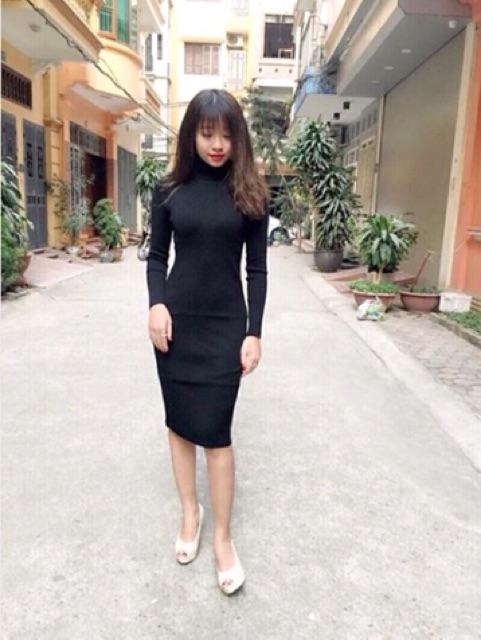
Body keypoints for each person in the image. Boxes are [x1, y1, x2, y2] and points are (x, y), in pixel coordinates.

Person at [146, 89, 268, 595]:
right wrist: (156, 304)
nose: (217, 144)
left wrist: (254, 332)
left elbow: (256, 270)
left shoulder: (250, 194)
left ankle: (222, 537)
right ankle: (189, 513)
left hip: (225, 327)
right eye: (206, 133)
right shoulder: (169, 190)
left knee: (216, 434)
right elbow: (157, 257)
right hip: (176, 325)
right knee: (179, 426)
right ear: (191, 135)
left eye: (226, 135)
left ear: (238, 138)